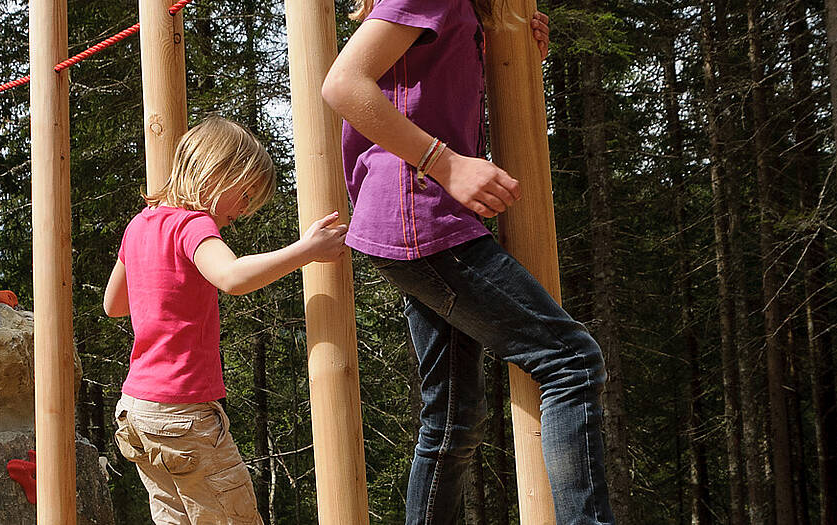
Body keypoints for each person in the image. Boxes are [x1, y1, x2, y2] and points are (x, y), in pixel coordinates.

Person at [321, 2, 616, 524]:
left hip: (417, 221)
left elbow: (432, 94)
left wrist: (515, 56)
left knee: (453, 415)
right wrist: (448, 164)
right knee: (571, 363)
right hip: (424, 217)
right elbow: (343, 83)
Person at [102, 117, 349, 524]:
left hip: (137, 413)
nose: (246, 208)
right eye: (246, 192)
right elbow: (232, 277)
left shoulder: (139, 225)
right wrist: (308, 250)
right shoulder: (192, 223)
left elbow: (114, 304)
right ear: (216, 170)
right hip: (184, 415)